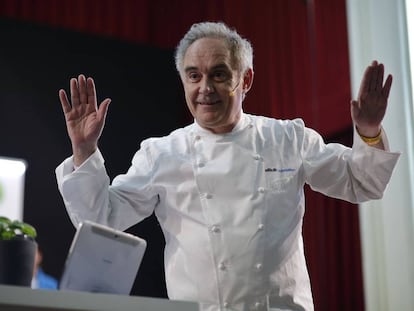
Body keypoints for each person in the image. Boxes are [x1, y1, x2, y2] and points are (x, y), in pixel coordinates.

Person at [56, 22, 400, 311]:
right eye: (194, 76)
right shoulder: (161, 153)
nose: (205, 88)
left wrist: (368, 132)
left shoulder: (287, 139)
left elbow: (361, 183)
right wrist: (84, 150)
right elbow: (101, 217)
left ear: (245, 79)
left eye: (219, 74)